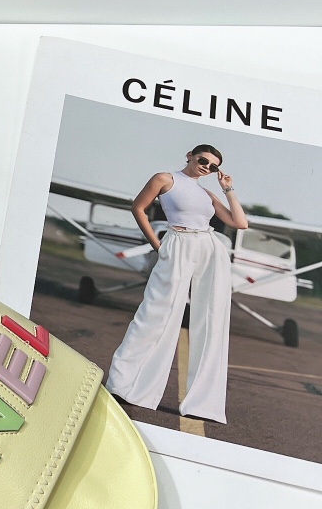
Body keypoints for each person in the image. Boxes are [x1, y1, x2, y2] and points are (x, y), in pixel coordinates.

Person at [104, 144, 248, 423]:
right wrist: (157, 246)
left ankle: (202, 404)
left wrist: (227, 189)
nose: (206, 167)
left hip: (209, 248)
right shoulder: (165, 179)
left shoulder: (207, 193)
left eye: (213, 166)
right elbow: (138, 208)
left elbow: (240, 223)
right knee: (154, 314)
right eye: (203, 160)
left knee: (212, 319)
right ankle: (125, 386)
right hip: (177, 244)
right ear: (190, 156)